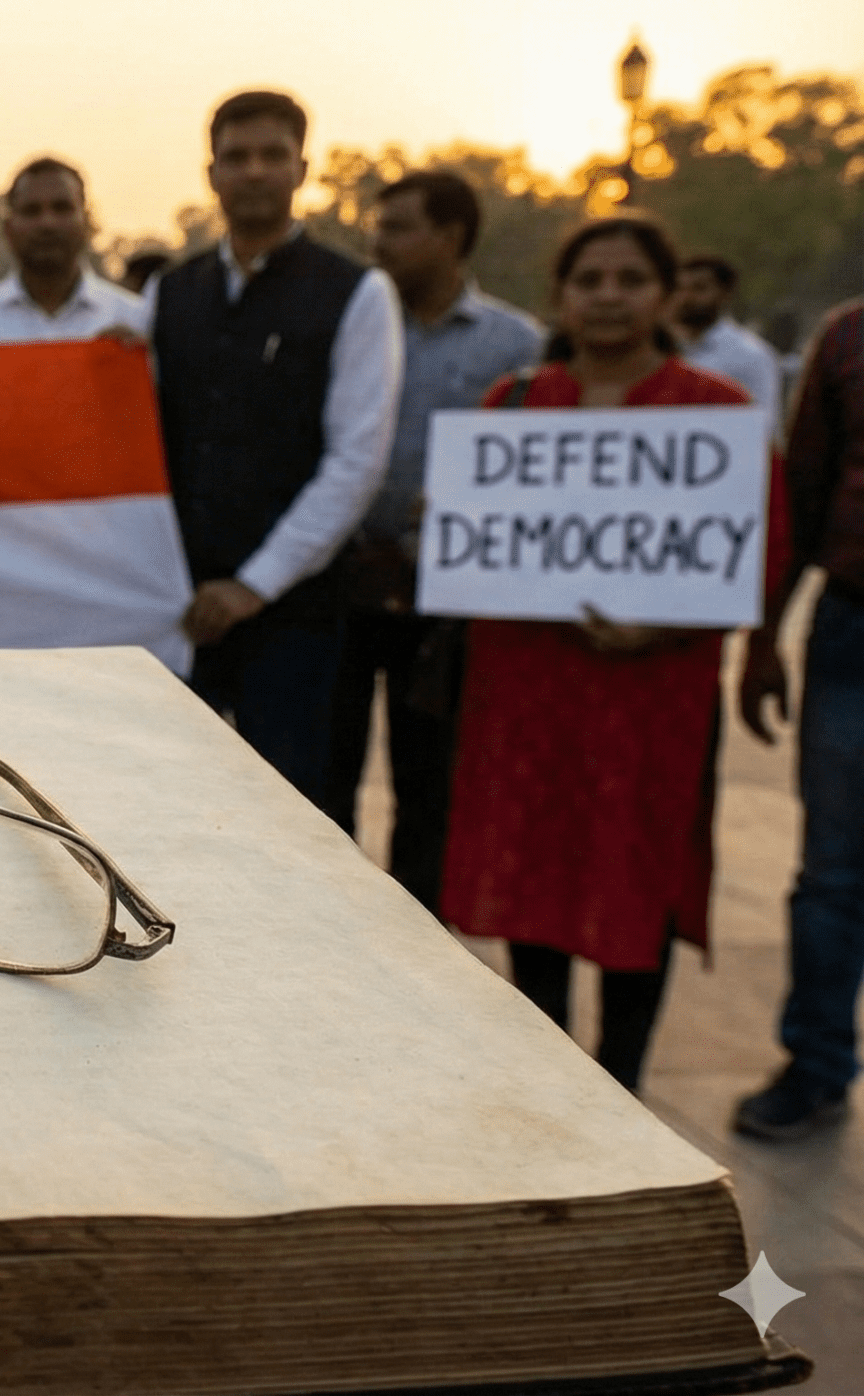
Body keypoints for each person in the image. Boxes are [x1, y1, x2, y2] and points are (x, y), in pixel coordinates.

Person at [442, 216, 776, 1094]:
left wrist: (662, 627)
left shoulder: (716, 413)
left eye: (630, 279)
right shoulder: (514, 404)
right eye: (590, 279)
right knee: (536, 871)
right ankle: (548, 1077)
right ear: (563, 296)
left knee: (638, 868)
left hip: (653, 692)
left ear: (665, 296)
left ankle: (621, 1085)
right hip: (528, 686)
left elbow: (747, 553)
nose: (609, 296)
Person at [147, 90, 402, 810]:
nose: (253, 172)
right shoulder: (171, 293)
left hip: (296, 614)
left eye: (271, 157)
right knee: (163, 804)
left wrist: (255, 584)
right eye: (237, 157)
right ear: (211, 172)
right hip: (176, 605)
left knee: (295, 817)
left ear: (302, 169)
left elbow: (356, 463)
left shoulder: (357, 292)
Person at [323, 171, 543, 911]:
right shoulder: (350, 321)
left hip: (444, 603)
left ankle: (417, 953)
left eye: (397, 229)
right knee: (324, 785)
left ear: (451, 238)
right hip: (344, 580)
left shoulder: (515, 345)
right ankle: (330, 933)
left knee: (431, 788)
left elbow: (538, 472)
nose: (377, 244)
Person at [735, 296, 864, 1139]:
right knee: (832, 871)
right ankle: (816, 1067)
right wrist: (765, 633)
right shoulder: (848, 335)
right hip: (855, 623)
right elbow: (805, 485)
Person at [0, 157, 145, 345]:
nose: (47, 223)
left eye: (61, 208)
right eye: (31, 211)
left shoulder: (136, 320)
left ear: (87, 222)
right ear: (8, 228)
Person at [673, 254, 784, 427]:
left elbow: (763, 426)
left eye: (699, 288)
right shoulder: (666, 349)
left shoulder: (750, 355)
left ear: (725, 294)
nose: (686, 297)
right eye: (679, 288)